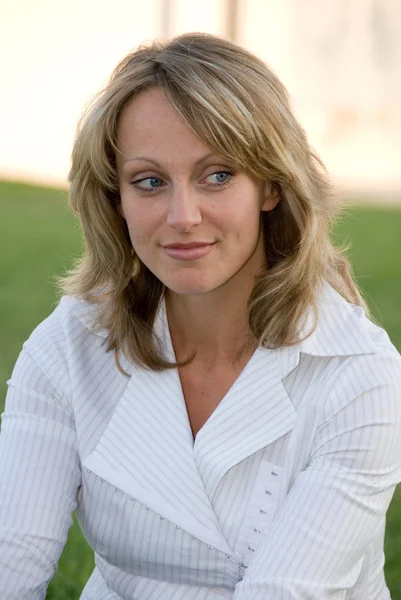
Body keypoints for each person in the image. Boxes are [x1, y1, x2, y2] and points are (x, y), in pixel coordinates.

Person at [0, 32, 400, 600]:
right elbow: (10, 561)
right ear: (116, 199)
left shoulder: (359, 374)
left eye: (217, 175)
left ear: (271, 185)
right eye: (149, 182)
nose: (182, 216)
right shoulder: (69, 345)